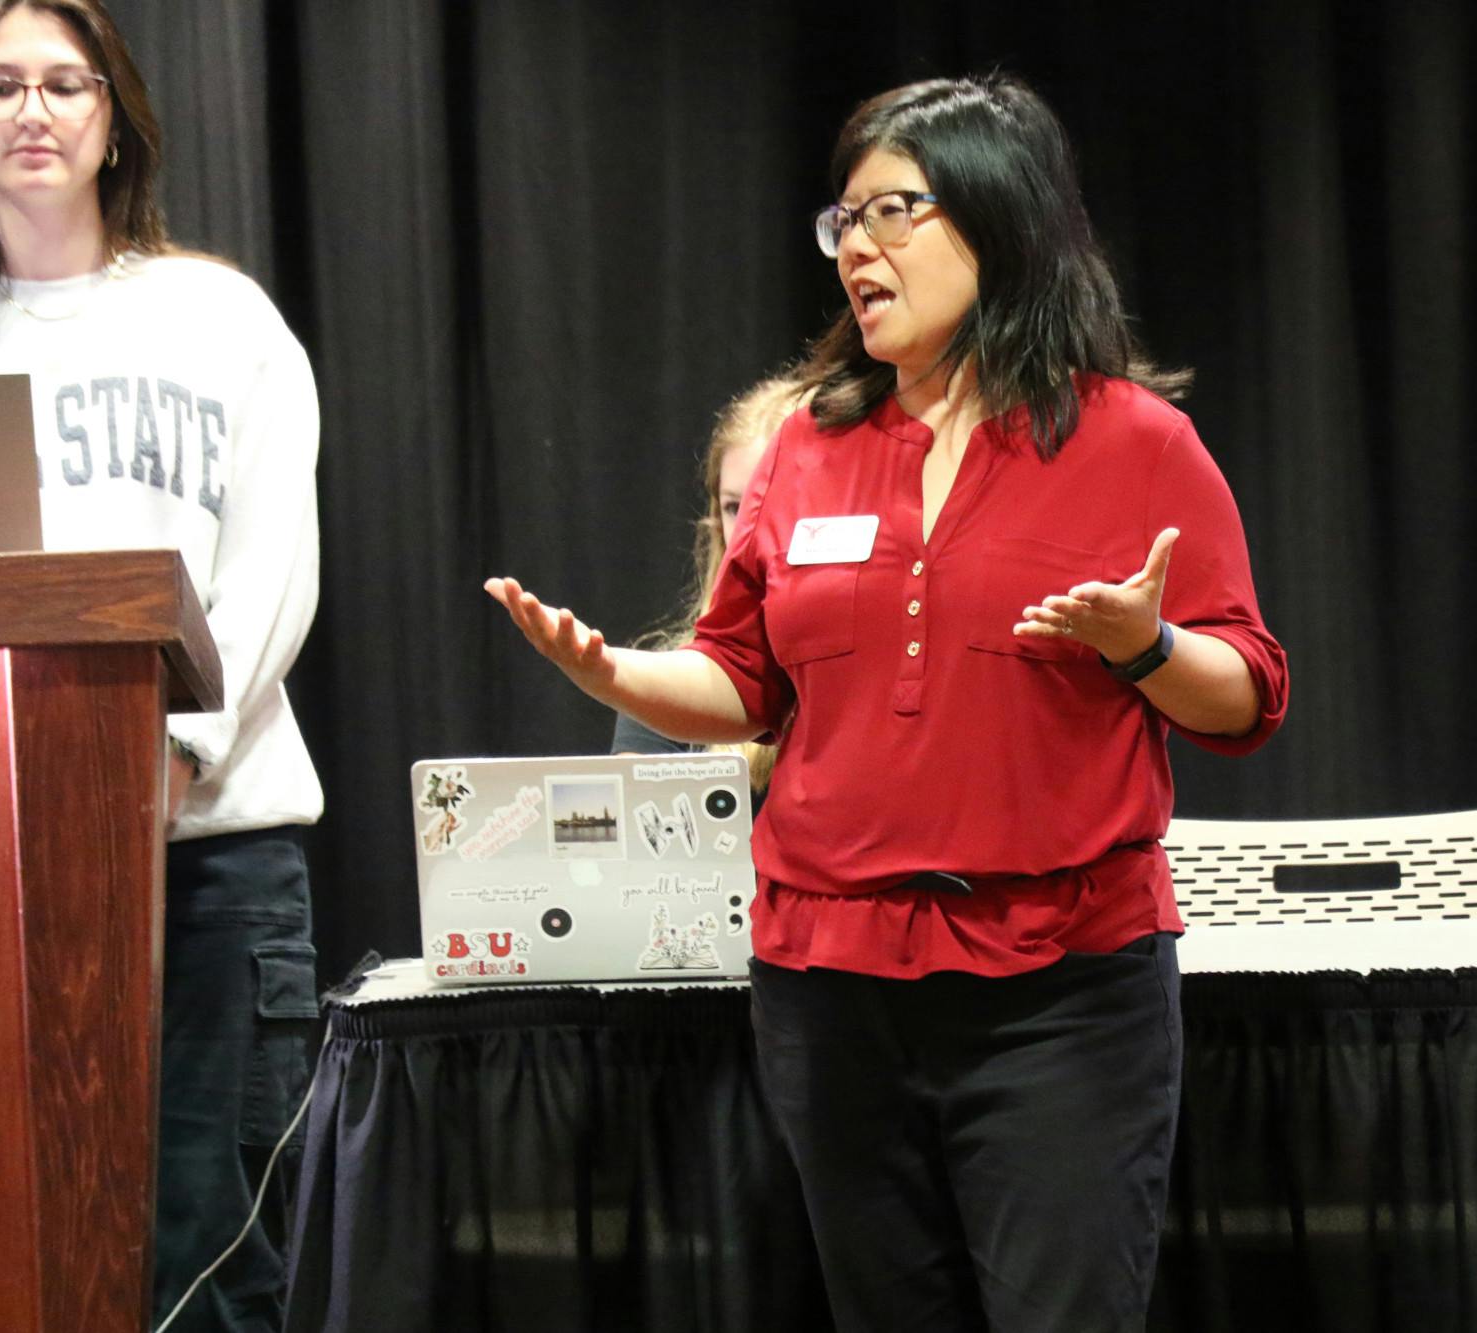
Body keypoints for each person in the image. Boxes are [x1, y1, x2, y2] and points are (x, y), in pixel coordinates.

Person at [487, 72, 1286, 1331]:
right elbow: (739, 678)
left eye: (890, 212)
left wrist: (1144, 643)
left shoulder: (1132, 441)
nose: (854, 247)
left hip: (1060, 994)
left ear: (999, 214)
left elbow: (1245, 696)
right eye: (840, 222)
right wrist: (613, 674)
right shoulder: (807, 445)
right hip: (827, 985)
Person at [0, 3, 321, 1329]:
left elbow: (273, 570)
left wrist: (179, 751)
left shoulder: (215, 315)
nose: (32, 110)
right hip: (2, 878)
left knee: (212, 1253)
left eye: (64, 83)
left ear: (113, 116)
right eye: (0, 83)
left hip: (213, 866)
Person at [610, 374, 800, 811]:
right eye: (736, 508)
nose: (750, 535)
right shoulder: (668, 688)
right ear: (715, 521)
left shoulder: (877, 687)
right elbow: (633, 865)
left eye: (776, 503)